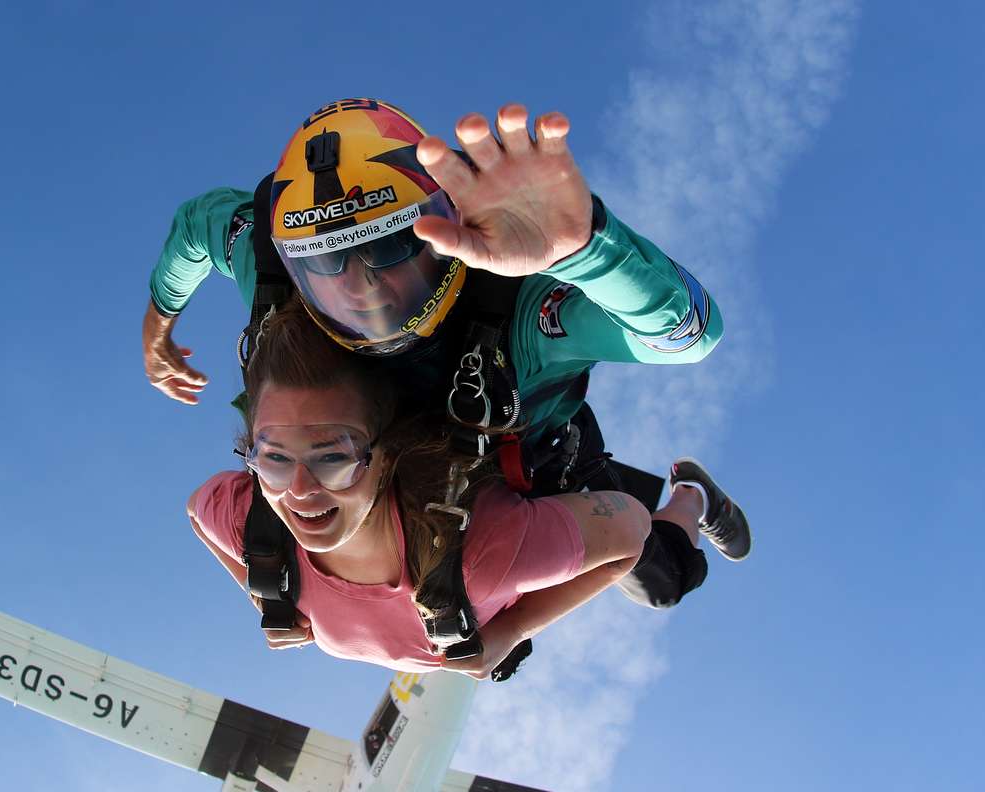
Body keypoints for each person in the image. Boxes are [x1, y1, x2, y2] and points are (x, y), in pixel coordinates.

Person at [151, 98, 747, 608]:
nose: (363, 290)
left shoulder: (521, 312)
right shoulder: (270, 270)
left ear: (447, 228)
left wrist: (584, 250)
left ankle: (692, 496)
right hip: (385, 472)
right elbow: (198, 226)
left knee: (659, 581)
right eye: (326, 264)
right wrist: (159, 327)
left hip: (528, 459)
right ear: (290, 259)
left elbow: (687, 336)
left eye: (394, 247)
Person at [187, 300, 739, 677]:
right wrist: (263, 590)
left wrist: (516, 628)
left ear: (385, 457)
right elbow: (197, 511)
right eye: (275, 458)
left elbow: (631, 528)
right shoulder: (252, 522)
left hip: (547, 471)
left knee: (660, 584)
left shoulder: (487, 557)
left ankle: (693, 495)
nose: (299, 490)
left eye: (334, 458)